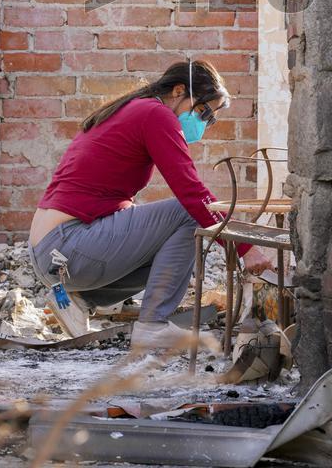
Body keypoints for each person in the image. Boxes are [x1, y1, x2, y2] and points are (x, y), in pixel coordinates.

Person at [28, 58, 274, 349]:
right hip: (67, 246)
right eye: (203, 111)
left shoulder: (133, 109)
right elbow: (192, 194)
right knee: (188, 215)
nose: (204, 122)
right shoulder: (155, 114)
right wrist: (244, 247)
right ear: (179, 91)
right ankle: (153, 327)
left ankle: (81, 300)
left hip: (54, 253)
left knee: (172, 243)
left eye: (211, 118)